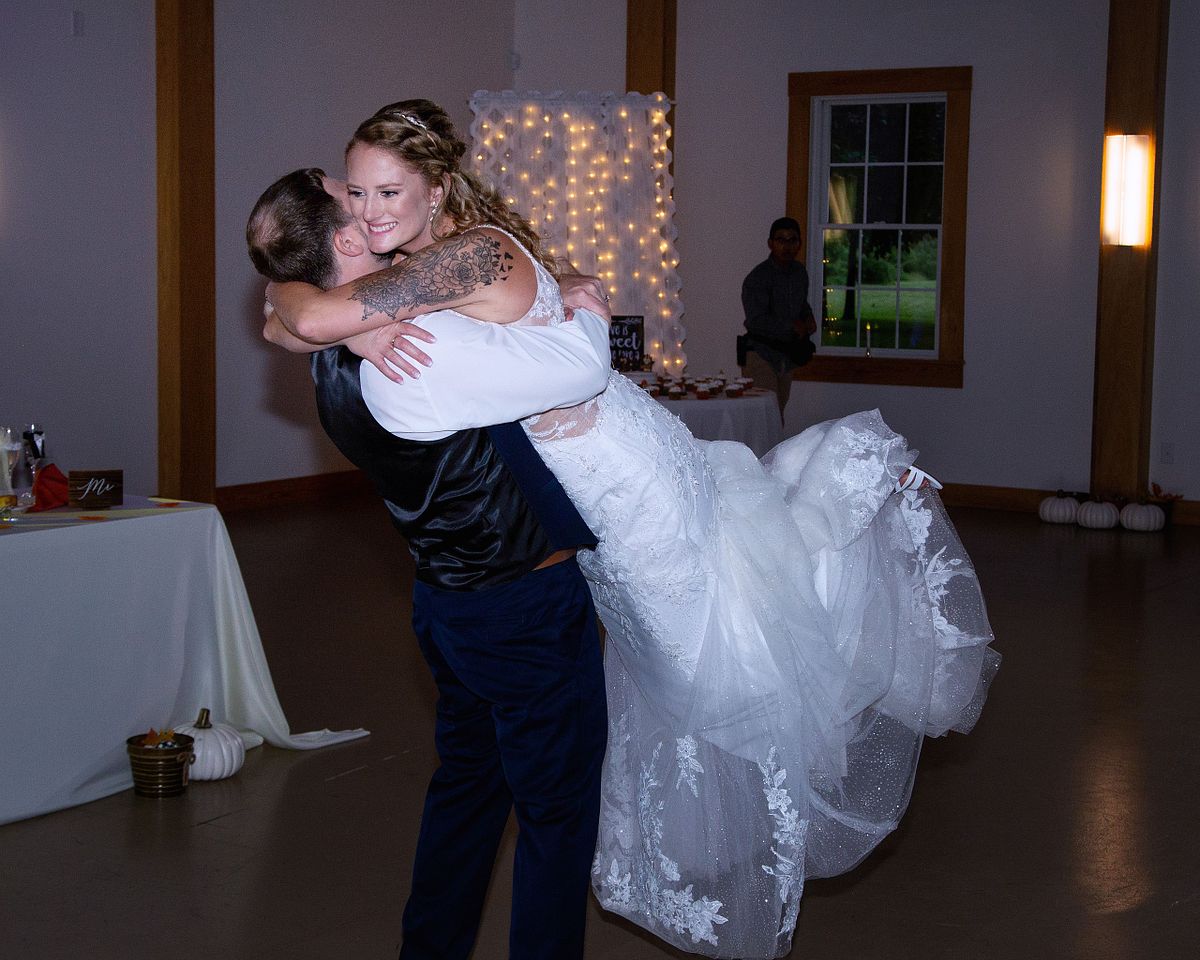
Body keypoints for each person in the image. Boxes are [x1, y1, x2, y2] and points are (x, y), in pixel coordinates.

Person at [267, 100, 1000, 960]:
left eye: (384, 191)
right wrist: (352, 316)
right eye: (354, 195)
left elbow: (308, 313)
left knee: (722, 621)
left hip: (592, 496)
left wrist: (357, 320)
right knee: (630, 714)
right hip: (556, 550)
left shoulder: (430, 283)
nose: (367, 211)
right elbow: (294, 310)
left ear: (434, 189)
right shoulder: (410, 301)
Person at [249, 165, 614, 960]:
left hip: (446, 606)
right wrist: (583, 310)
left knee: (468, 794)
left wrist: (312, 308)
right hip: (523, 606)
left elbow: (285, 310)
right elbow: (580, 370)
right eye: (353, 197)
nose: (372, 202)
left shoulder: (332, 350)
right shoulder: (421, 344)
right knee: (556, 816)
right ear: (349, 241)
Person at [740, 216, 818, 420]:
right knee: (764, 418)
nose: (787, 246)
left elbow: (801, 304)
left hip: (787, 355)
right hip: (760, 355)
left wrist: (808, 317)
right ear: (770, 243)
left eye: (792, 240)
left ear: (799, 244)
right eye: (781, 240)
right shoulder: (758, 277)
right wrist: (791, 326)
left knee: (777, 415)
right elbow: (755, 320)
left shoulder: (800, 273)